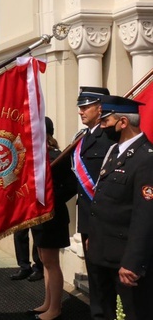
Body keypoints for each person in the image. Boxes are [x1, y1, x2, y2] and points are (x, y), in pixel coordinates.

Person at [87, 95, 153, 319]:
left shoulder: (146, 159)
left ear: (122, 122)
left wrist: (132, 262)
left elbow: (145, 216)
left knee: (133, 313)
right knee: (100, 311)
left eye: (105, 121)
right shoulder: (115, 151)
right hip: (101, 251)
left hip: (124, 261)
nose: (102, 126)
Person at [72, 86, 114, 320]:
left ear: (101, 108)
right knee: (95, 278)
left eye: (86, 106)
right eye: (80, 107)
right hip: (88, 220)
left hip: (105, 222)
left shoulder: (108, 137)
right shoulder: (82, 138)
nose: (81, 111)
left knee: (106, 279)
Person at [29, 117, 77, 320]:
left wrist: (49, 199)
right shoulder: (36, 157)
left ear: (46, 134)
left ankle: (55, 308)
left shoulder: (57, 157)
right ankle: (48, 301)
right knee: (43, 260)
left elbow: (71, 186)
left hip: (53, 216)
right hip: (38, 217)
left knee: (51, 262)